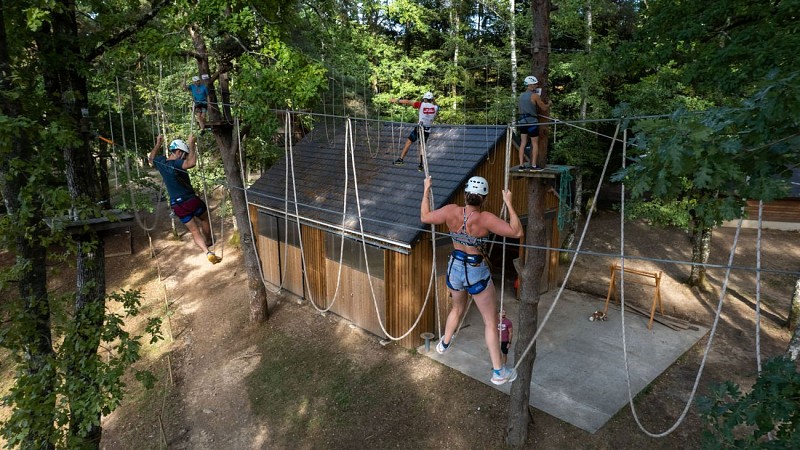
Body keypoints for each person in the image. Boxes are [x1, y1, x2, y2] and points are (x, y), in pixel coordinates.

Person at [421, 175, 524, 385]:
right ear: (483, 198)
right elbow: (517, 231)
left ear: (465, 195)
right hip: (475, 270)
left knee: (457, 307)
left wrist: (426, 190)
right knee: (490, 321)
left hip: (455, 267)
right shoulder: (485, 219)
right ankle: (498, 372)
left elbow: (425, 217)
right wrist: (509, 204)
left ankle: (444, 343)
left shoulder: (451, 211)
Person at [149, 134, 222, 264]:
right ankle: (208, 240)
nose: (185, 157)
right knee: (204, 218)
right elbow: (191, 163)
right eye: (185, 154)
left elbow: (151, 158)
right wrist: (192, 144)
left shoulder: (161, 162)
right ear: (178, 152)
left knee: (194, 231)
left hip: (177, 205)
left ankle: (207, 252)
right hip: (190, 200)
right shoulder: (176, 163)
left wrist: (158, 143)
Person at [391, 92, 439, 172]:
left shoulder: (421, 105)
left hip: (419, 129)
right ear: (432, 99)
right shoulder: (436, 107)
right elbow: (436, 105)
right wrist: (433, 101)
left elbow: (407, 102)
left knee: (409, 142)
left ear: (424, 99)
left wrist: (396, 100)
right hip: (427, 130)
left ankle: (401, 159)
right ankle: (421, 165)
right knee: (422, 147)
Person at [518, 75, 552, 171]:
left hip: (522, 122)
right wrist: (549, 104)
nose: (536, 86)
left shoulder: (521, 96)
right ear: (531, 85)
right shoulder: (535, 96)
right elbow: (544, 108)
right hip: (532, 122)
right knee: (534, 143)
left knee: (523, 143)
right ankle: (533, 166)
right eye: (535, 84)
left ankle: (521, 165)